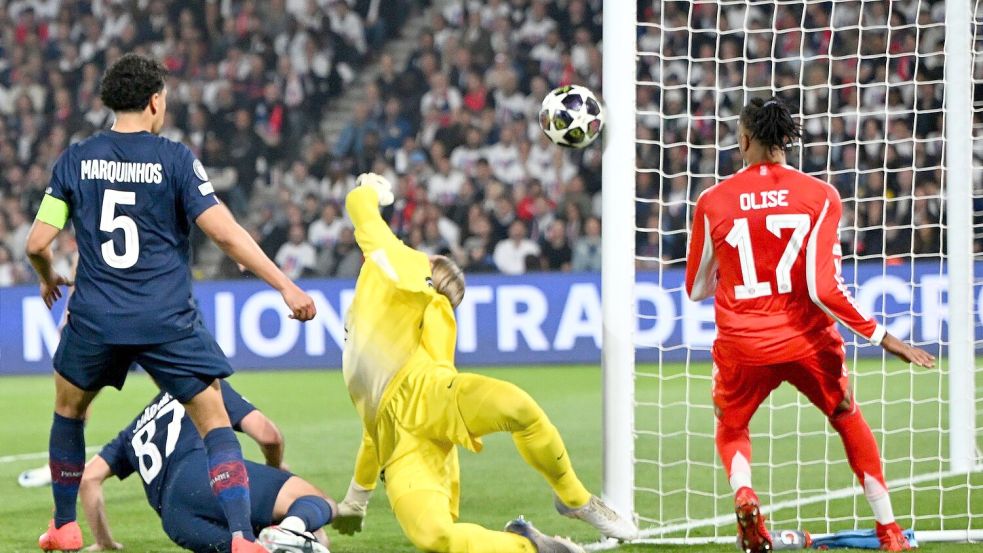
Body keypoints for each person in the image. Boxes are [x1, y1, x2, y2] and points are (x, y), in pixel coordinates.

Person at [24, 53, 316, 553]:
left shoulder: (75, 160)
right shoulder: (175, 160)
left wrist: (49, 276)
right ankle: (242, 537)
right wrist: (285, 285)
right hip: (166, 319)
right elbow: (225, 234)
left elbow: (36, 243)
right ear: (155, 101)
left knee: (69, 413)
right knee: (215, 424)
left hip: (96, 317)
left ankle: (65, 526)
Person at [330, 173, 637, 553]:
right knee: (434, 537)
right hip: (400, 441)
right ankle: (530, 545)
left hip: (433, 395)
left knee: (518, 408)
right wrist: (356, 500)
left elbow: (358, 206)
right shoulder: (402, 262)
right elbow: (372, 431)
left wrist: (370, 190)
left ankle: (575, 498)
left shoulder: (421, 300)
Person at [684, 97, 935, 553]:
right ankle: (889, 529)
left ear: (744, 140)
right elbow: (824, 288)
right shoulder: (820, 195)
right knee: (846, 415)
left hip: (743, 344)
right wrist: (884, 337)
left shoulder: (712, 201)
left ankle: (745, 494)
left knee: (731, 424)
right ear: (785, 139)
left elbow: (697, 288)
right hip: (807, 341)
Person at [79, 380, 334, 553]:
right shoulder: (201, 385)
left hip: (176, 521)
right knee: (316, 503)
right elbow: (269, 436)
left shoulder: (132, 432)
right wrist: (274, 466)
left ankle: (284, 533)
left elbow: (89, 478)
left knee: (266, 544)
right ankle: (291, 529)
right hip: (205, 477)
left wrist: (104, 541)